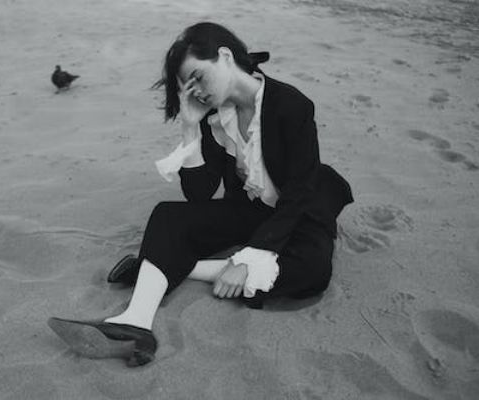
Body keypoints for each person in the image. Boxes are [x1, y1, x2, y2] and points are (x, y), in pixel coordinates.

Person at [48, 22, 354, 367]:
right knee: (168, 216)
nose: (198, 92)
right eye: (188, 87)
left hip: (300, 211)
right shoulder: (214, 118)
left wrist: (246, 261)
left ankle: (166, 267)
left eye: (198, 77)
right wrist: (190, 126)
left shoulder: (292, 105)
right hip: (251, 209)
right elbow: (198, 194)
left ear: (225, 57)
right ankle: (135, 322)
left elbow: (299, 195)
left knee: (314, 270)